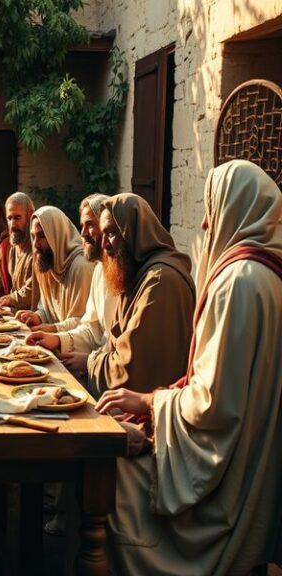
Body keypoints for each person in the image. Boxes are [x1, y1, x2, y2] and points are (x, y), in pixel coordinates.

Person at [96, 160, 282, 575]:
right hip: (256, 467)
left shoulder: (237, 283)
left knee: (112, 474)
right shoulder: (269, 276)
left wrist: (149, 406)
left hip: (226, 488)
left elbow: (212, 405)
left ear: (235, 209)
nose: (202, 225)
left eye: (210, 210)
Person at [85, 193, 195, 399]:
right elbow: (114, 344)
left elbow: (130, 370)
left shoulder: (161, 280)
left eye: (111, 234)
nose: (104, 245)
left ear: (133, 231)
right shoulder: (134, 274)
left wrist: (89, 363)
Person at [27, 194, 117, 379]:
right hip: (94, 363)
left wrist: (89, 361)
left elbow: (124, 353)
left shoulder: (83, 267)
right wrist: (48, 329)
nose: (83, 233)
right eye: (33, 236)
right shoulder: (101, 269)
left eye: (90, 225)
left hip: (104, 374)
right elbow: (91, 328)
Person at [13, 206, 94, 331]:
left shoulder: (81, 266)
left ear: (57, 234)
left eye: (41, 236)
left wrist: (50, 329)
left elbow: (82, 322)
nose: (35, 245)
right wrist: (38, 316)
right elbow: (46, 309)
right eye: (33, 237)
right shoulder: (48, 262)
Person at [0, 192, 39, 310]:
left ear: (30, 215)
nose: (12, 224)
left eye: (17, 217)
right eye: (9, 218)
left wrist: (9, 299)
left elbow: (32, 290)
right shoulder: (6, 247)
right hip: (13, 312)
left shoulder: (39, 247)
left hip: (33, 316)